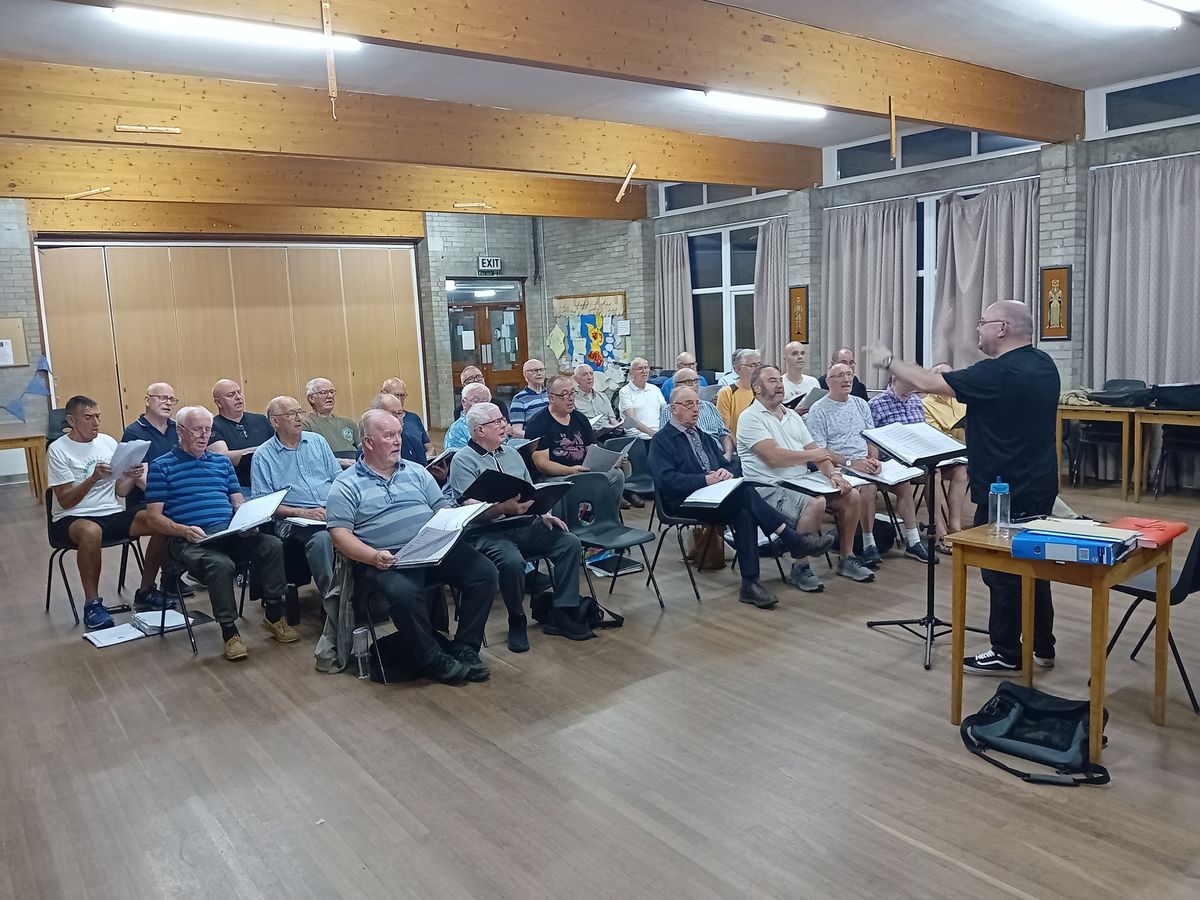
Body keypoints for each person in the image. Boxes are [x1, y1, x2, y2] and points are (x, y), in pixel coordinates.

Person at [863, 300, 1061, 675]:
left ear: (1002, 329)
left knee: (999, 570)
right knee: (1034, 563)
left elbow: (926, 383)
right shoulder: (1044, 365)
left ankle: (1006, 651)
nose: (978, 330)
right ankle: (1042, 644)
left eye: (983, 323)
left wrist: (887, 359)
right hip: (1039, 483)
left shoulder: (998, 373)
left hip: (1006, 490)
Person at [327, 409, 497, 685]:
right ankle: (432, 658)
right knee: (404, 593)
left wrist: (461, 515)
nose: (398, 441)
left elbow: (441, 508)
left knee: (484, 572)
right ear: (369, 442)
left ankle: (465, 647)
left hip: (431, 549)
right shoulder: (345, 485)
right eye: (389, 435)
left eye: (399, 434)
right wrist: (372, 556)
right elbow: (339, 534)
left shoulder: (416, 471)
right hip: (385, 559)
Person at [652, 385, 835, 608]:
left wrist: (726, 472)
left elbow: (734, 465)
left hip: (712, 496)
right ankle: (791, 539)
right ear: (674, 409)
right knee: (745, 493)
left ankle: (750, 584)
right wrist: (704, 480)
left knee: (744, 511)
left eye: (697, 403)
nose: (695, 409)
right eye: (688, 404)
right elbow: (665, 480)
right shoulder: (661, 441)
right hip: (683, 501)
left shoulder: (704, 437)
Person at [144, 406, 296, 661]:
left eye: (208, 430)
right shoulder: (162, 467)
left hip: (227, 533)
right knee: (220, 564)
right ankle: (229, 631)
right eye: (197, 430)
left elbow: (237, 501)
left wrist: (247, 520)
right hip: (188, 540)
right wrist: (183, 530)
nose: (205, 435)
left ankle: (273, 614)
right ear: (180, 431)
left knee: (271, 544)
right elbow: (153, 517)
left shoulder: (220, 463)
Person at [449, 401, 593, 649]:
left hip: (525, 522)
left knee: (569, 542)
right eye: (497, 422)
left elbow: (530, 491)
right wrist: (502, 509)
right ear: (480, 430)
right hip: (488, 532)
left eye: (502, 420)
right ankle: (517, 617)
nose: (503, 425)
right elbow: (469, 510)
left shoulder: (513, 453)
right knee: (512, 562)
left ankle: (563, 610)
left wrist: (544, 511)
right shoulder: (463, 460)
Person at [737, 367, 873, 585]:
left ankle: (847, 557)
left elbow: (817, 451)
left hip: (800, 481)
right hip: (768, 486)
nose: (780, 385)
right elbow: (773, 457)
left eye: (780, 380)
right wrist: (813, 454)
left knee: (852, 495)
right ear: (756, 388)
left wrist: (833, 473)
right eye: (772, 381)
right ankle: (800, 567)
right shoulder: (750, 417)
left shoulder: (791, 415)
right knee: (816, 503)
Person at [47, 395, 166, 629]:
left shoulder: (108, 442)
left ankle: (146, 590)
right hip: (72, 518)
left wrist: (130, 477)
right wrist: (92, 478)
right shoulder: (58, 449)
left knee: (159, 520)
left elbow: (120, 492)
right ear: (71, 420)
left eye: (98, 416)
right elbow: (66, 500)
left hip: (110, 512)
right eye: (88, 417)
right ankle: (92, 604)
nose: (95, 422)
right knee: (91, 532)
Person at [808, 362, 930, 566]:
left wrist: (873, 458)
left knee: (904, 484)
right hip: (840, 466)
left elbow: (871, 437)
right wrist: (851, 463)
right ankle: (868, 543)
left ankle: (913, 540)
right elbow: (820, 450)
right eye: (840, 376)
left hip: (865, 462)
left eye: (849, 375)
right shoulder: (818, 410)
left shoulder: (860, 403)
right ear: (829, 382)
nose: (847, 380)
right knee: (868, 487)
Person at [251, 395, 341, 598]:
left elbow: (339, 480)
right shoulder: (264, 456)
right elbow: (263, 505)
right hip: (295, 522)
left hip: (331, 511)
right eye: (291, 414)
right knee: (322, 539)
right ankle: (334, 602)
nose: (299, 418)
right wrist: (304, 513)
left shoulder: (318, 442)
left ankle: (367, 596)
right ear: (275, 421)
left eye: (300, 412)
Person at [868, 372, 954, 562]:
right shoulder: (876, 404)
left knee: (935, 471)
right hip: (891, 460)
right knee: (905, 481)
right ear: (894, 380)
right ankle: (913, 539)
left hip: (915, 456)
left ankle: (940, 530)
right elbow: (871, 438)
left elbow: (922, 432)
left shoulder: (916, 402)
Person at [122, 381, 192, 599]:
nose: (167, 403)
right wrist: (174, 499)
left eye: (172, 399)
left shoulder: (177, 429)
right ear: (147, 400)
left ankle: (178, 575)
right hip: (144, 501)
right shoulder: (134, 432)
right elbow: (141, 477)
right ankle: (148, 588)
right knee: (165, 522)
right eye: (162, 398)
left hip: (177, 496)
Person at [524, 373, 626, 510]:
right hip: (554, 476)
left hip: (583, 470)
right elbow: (541, 464)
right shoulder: (538, 423)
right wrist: (571, 471)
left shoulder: (580, 418)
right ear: (551, 398)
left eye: (573, 393)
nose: (571, 399)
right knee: (571, 483)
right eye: (564, 395)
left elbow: (593, 450)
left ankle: (606, 516)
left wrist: (611, 460)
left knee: (616, 475)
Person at [921, 363, 970, 552]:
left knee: (961, 472)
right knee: (934, 474)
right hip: (935, 456)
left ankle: (955, 526)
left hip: (961, 455)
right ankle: (939, 529)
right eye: (940, 375)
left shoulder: (961, 400)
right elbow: (933, 436)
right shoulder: (925, 403)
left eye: (950, 376)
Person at [208, 379, 274, 485]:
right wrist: (260, 450)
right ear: (218, 402)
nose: (238, 397)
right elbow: (223, 456)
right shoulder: (212, 425)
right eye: (231, 395)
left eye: (239, 392)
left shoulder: (261, 420)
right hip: (237, 486)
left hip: (269, 482)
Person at [658, 368, 732, 457]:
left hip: (717, 455)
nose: (694, 385)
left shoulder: (709, 406)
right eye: (689, 382)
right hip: (689, 457)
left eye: (696, 381)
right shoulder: (670, 410)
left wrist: (728, 454)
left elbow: (723, 434)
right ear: (677, 385)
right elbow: (666, 442)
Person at [302, 377, 361, 468]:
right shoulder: (306, 424)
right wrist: (339, 462)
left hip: (355, 466)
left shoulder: (347, 422)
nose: (330, 396)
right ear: (311, 398)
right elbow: (310, 456)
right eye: (323, 392)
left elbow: (362, 447)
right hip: (328, 468)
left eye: (332, 392)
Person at [379, 377, 432, 460]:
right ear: (383, 394)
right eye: (396, 395)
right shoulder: (375, 421)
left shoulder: (414, 418)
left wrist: (427, 459)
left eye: (403, 396)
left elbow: (429, 447)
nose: (400, 400)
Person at [715, 348, 761, 442]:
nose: (758, 369)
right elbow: (725, 429)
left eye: (759, 365)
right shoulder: (727, 393)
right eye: (753, 365)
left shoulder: (765, 390)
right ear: (739, 369)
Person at [370, 392, 428, 465]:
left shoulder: (414, 442)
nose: (397, 418)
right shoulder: (370, 445)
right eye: (392, 414)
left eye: (400, 413)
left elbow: (423, 471)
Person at [618, 357, 667, 442]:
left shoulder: (655, 389)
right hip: (637, 438)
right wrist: (653, 433)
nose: (644, 371)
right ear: (632, 372)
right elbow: (632, 420)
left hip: (657, 436)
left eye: (646, 367)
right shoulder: (625, 392)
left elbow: (665, 411)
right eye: (640, 368)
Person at [444, 382, 492, 450]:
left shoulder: (495, 424)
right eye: (475, 401)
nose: (481, 405)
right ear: (464, 403)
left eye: (485, 401)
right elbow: (459, 458)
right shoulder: (457, 430)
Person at [509, 358, 549, 437]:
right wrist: (537, 437)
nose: (539, 373)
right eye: (535, 371)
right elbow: (516, 431)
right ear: (525, 374)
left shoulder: (551, 393)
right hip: (536, 442)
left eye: (541, 370)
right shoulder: (519, 399)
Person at [781, 341, 820, 406]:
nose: (800, 357)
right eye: (794, 354)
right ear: (785, 358)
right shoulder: (779, 383)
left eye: (802, 353)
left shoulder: (813, 382)